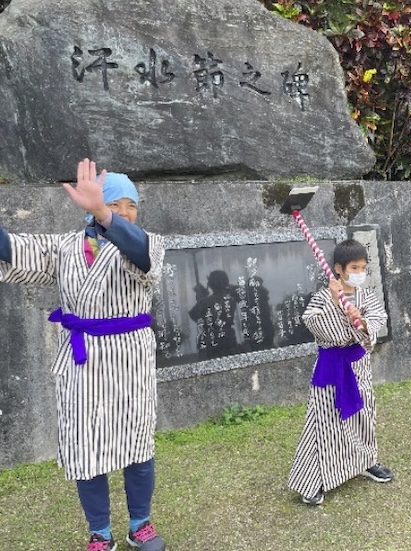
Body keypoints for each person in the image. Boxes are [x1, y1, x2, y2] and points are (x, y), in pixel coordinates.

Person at [0, 159, 166, 551]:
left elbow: (140, 255)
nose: (126, 212)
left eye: (131, 205)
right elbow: (12, 250)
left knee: (137, 441)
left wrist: (104, 214)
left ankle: (139, 523)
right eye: (116, 203)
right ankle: (100, 531)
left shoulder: (147, 242)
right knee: (85, 445)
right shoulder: (64, 248)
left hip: (129, 360)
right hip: (81, 361)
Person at [287, 238, 391, 506]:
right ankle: (310, 483)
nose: (359, 273)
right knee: (323, 423)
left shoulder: (367, 296)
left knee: (364, 416)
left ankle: (366, 461)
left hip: (359, 367)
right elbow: (314, 323)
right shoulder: (322, 298)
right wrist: (336, 305)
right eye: (354, 267)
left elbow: (377, 322)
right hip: (331, 370)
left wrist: (362, 321)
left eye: (363, 267)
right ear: (338, 269)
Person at [188, 269, 240, 359]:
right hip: (228, 337)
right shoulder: (231, 299)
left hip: (211, 340)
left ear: (211, 284)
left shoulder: (205, 301)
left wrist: (201, 299)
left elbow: (194, 315)